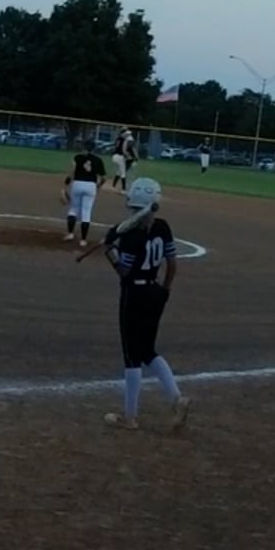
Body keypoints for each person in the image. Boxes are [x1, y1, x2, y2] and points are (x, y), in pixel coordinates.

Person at [84, 178, 190, 432]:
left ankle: (130, 417)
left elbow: (125, 272)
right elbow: (172, 263)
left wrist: (110, 252)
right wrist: (165, 289)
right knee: (147, 350)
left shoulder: (130, 236)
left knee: (132, 356)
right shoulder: (162, 227)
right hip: (155, 291)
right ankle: (177, 399)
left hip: (134, 294)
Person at [61, 141, 107, 247]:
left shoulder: (77, 157)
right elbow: (103, 178)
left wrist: (67, 183)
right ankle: (83, 240)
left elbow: (72, 171)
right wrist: (98, 186)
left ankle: (70, 234)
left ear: (83, 147)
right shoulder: (98, 160)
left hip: (77, 183)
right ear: (94, 149)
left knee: (73, 209)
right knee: (86, 212)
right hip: (91, 185)